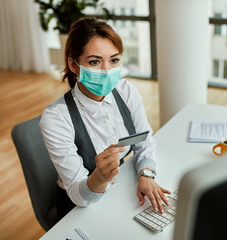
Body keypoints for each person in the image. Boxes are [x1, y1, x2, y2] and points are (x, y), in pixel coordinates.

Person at [40, 17, 170, 220]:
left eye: (114, 60)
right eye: (94, 61)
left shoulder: (126, 91)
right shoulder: (56, 118)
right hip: (80, 207)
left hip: (124, 188)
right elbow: (77, 195)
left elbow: (144, 141)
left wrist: (145, 174)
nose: (107, 70)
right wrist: (99, 179)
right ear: (74, 65)